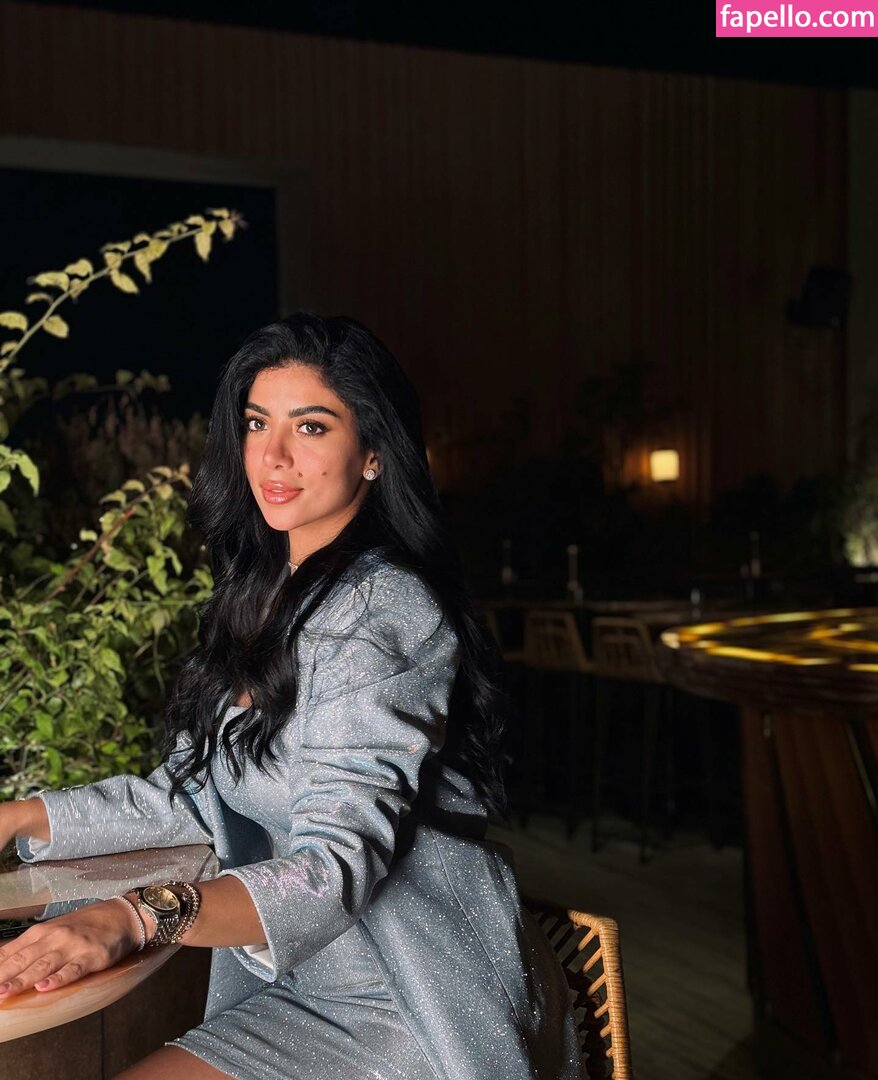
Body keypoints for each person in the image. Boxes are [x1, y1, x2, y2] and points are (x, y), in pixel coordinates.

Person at [0, 313, 583, 1079]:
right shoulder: (262, 597)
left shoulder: (383, 611)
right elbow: (192, 798)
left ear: (373, 453)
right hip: (307, 986)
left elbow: (335, 864)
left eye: (310, 426)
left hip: (418, 1002)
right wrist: (18, 817)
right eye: (256, 423)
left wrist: (135, 917)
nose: (272, 455)